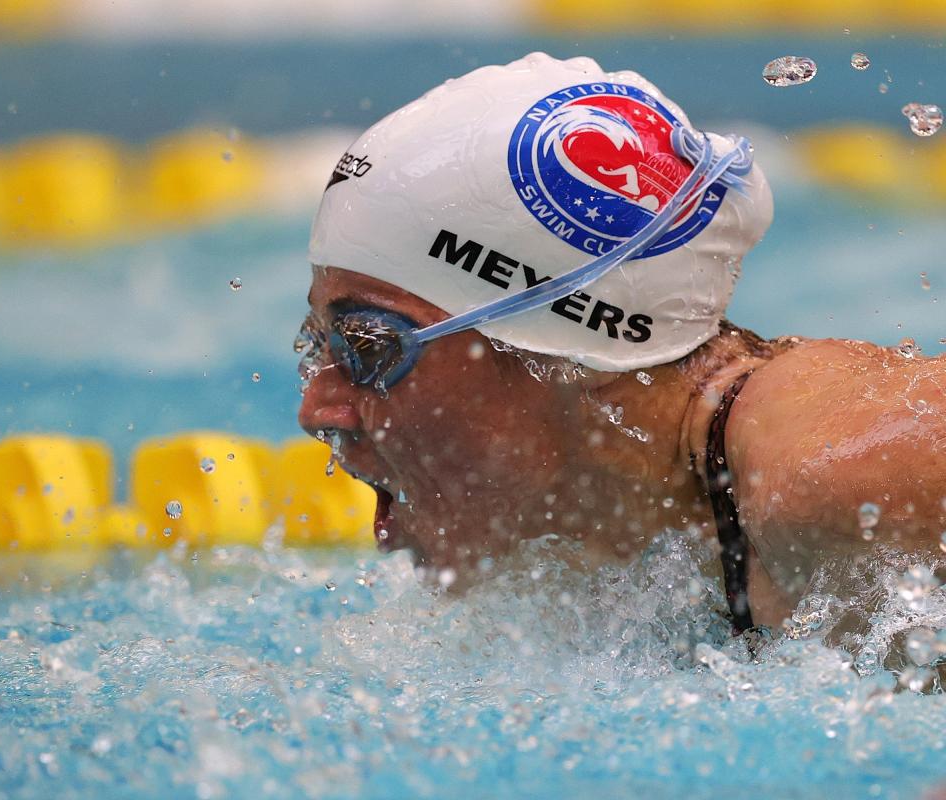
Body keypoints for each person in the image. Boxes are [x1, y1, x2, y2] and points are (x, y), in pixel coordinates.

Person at [294, 52, 946, 633]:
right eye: (318, 341)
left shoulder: (844, 479)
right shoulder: (597, 555)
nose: (317, 408)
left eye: (369, 346)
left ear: (563, 351)